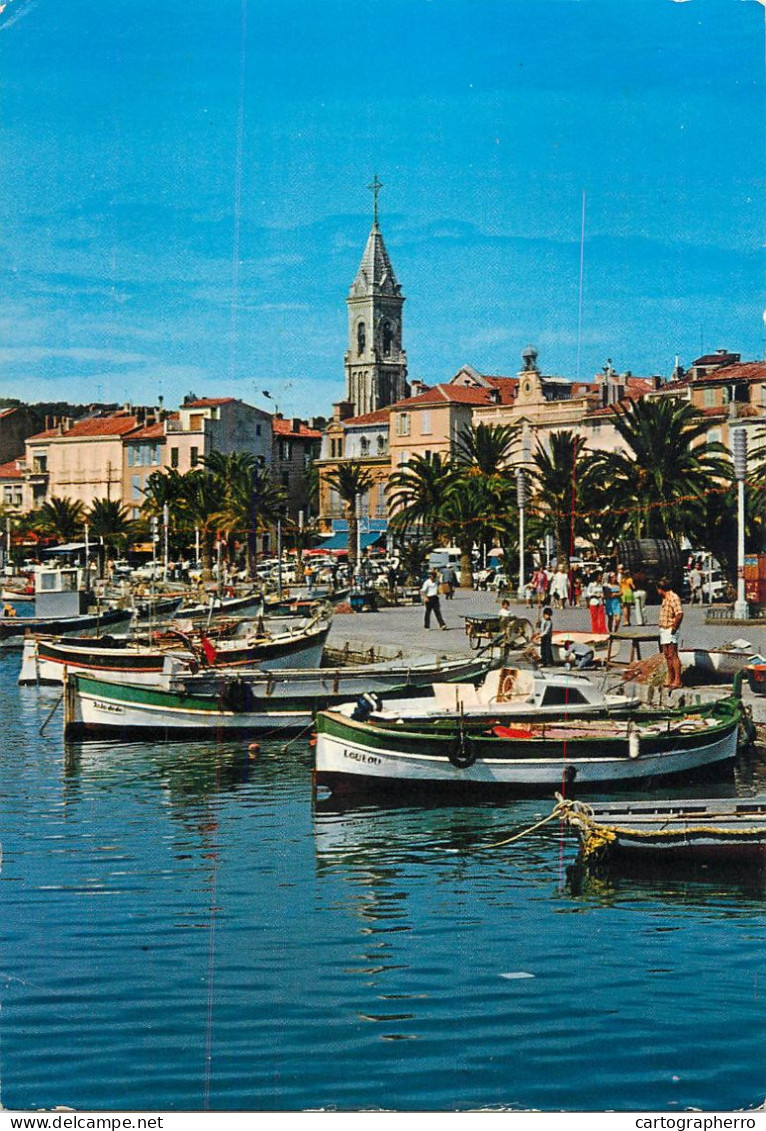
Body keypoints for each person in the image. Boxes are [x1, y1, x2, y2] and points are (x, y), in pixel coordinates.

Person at [656, 576, 683, 691]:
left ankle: (677, 679)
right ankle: (670, 677)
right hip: (663, 629)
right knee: (667, 655)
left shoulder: (673, 597)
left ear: (660, 589)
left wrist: (674, 627)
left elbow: (679, 614)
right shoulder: (665, 598)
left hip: (670, 629)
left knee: (673, 654)